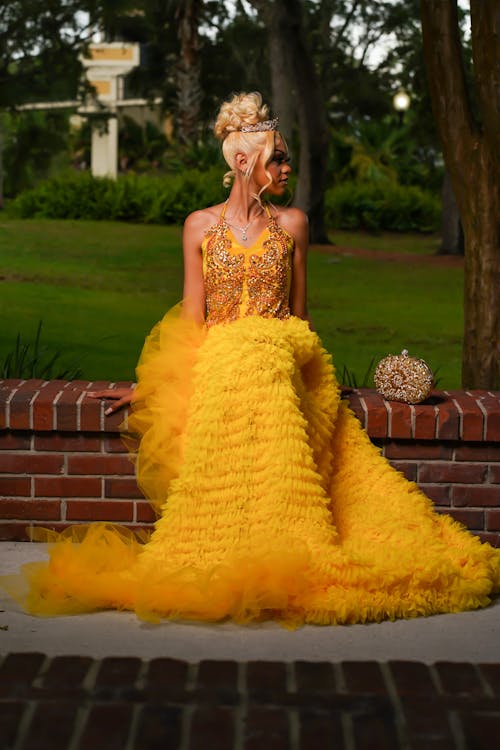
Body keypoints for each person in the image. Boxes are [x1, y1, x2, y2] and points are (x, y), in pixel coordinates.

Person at [6, 92, 500, 626]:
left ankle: (293, 531)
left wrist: (302, 370)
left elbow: (302, 318)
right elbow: (195, 317)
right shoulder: (199, 226)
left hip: (281, 359)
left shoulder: (294, 225)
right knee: (237, 355)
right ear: (245, 163)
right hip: (223, 363)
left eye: (286, 158)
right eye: (278, 158)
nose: (288, 168)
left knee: (261, 356)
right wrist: (151, 384)